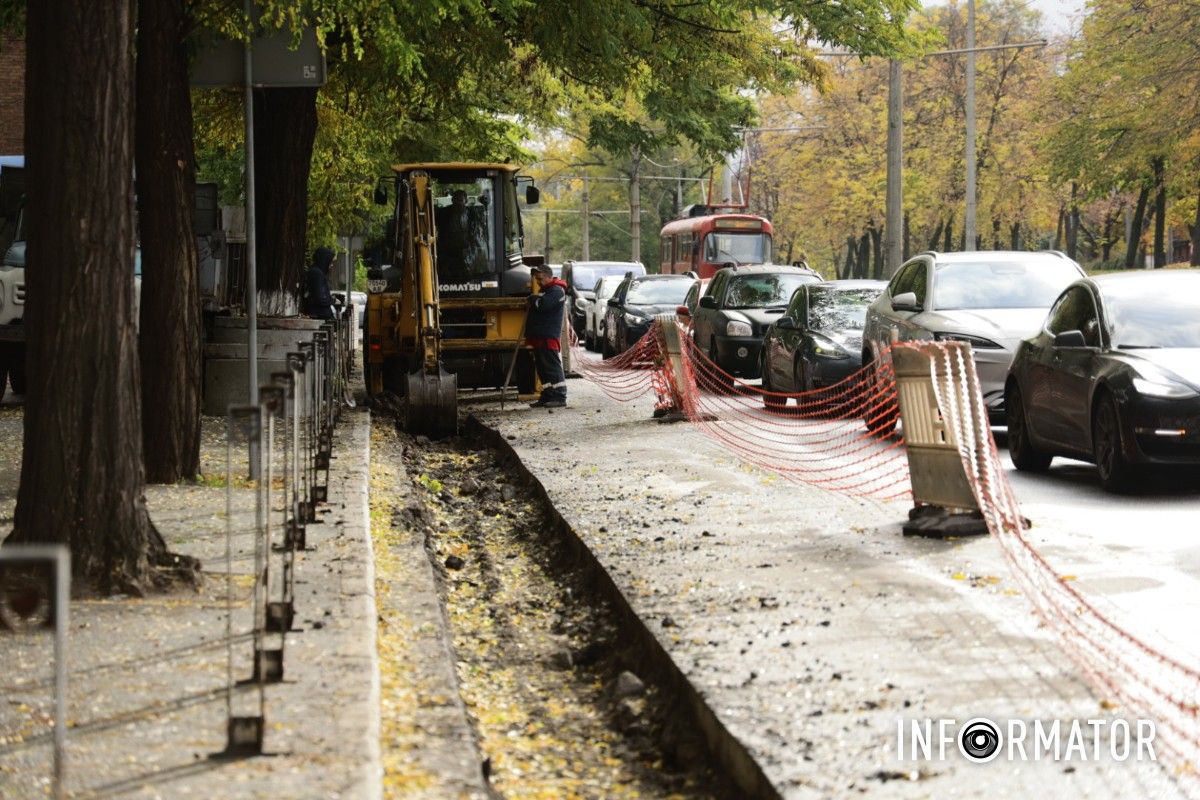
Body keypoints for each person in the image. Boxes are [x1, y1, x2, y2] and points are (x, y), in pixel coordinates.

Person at [525, 264, 569, 408]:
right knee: (543, 369)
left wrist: (533, 299)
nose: (538, 282)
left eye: (540, 278)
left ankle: (560, 396)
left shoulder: (557, 291)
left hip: (548, 336)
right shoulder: (546, 291)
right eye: (537, 279)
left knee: (551, 367)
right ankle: (548, 394)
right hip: (539, 336)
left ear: (548, 276)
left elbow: (542, 306)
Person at [305, 246, 336, 320]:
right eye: (330, 262)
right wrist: (333, 300)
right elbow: (320, 298)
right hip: (320, 317)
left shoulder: (317, 272)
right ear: (324, 260)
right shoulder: (317, 274)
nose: (331, 265)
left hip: (320, 315)